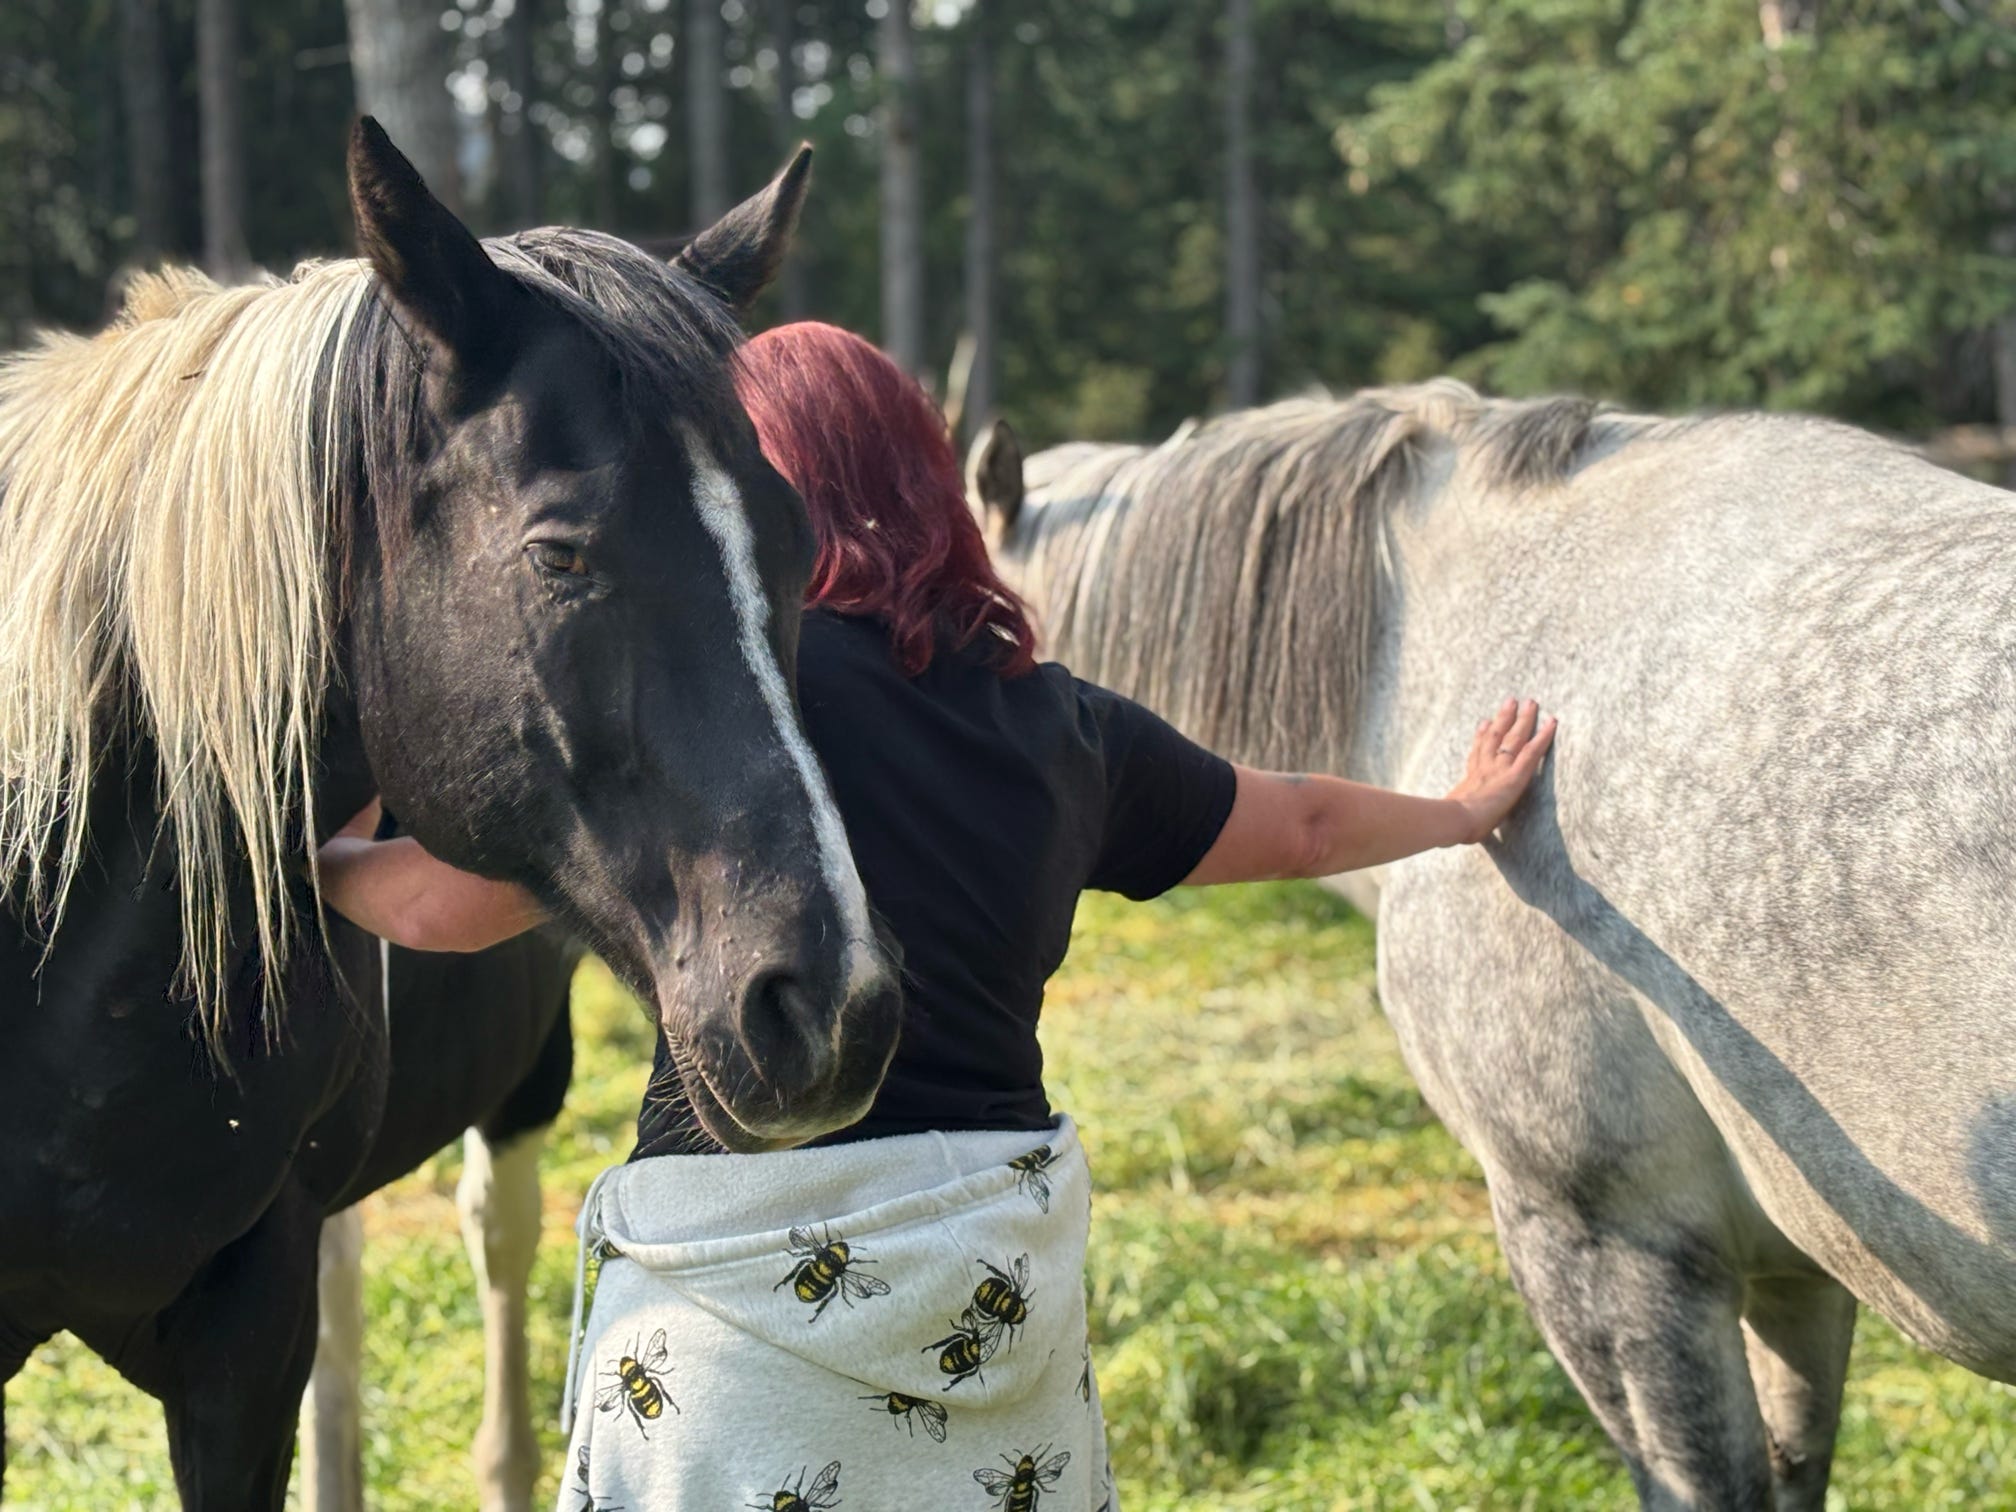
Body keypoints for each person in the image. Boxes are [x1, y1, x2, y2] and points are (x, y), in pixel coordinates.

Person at [316, 322, 1554, 1512]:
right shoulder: (1066, 727)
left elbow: (443, 908)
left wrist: (303, 855)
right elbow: (1304, 827)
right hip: (987, 1311)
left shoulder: (739, 714)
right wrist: (1458, 810)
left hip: (735, 1345)